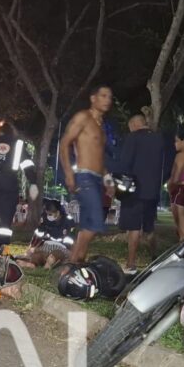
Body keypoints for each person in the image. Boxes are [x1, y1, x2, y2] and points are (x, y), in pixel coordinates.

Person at [60, 84, 114, 264]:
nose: (108, 100)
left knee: (87, 225)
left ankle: (75, 263)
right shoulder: (83, 117)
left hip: (98, 179)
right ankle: (72, 263)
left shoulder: (102, 126)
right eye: (103, 95)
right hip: (85, 177)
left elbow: (100, 158)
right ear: (93, 98)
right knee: (95, 222)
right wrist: (69, 173)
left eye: (110, 97)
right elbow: (64, 143)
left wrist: (108, 180)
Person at [117, 113, 166, 274]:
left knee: (134, 228)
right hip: (153, 191)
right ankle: (155, 257)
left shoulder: (133, 138)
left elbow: (125, 163)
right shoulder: (159, 139)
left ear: (134, 125)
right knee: (149, 228)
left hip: (135, 190)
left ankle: (131, 264)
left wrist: (119, 185)